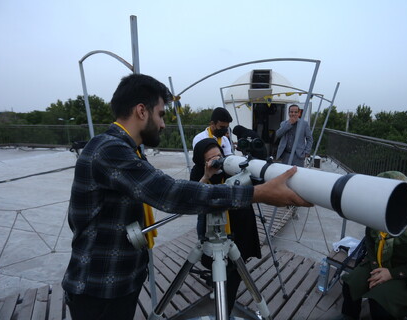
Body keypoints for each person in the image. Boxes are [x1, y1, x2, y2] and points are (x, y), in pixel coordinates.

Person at [61, 73, 310, 320]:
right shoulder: (110, 150)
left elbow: (163, 190)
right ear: (141, 111)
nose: (163, 124)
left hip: (118, 279)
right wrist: (258, 193)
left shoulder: (127, 149)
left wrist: (207, 180)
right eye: (160, 114)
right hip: (99, 287)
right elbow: (169, 193)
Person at [340, 171, 407, 320]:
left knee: (379, 300)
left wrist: (391, 274)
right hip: (379, 264)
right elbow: (370, 241)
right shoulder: (377, 212)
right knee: (351, 284)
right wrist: (376, 268)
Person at [191, 138, 261, 316]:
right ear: (202, 162)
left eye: (219, 156)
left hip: (240, 225)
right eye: (211, 159)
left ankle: (226, 310)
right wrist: (207, 176)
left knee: (236, 269)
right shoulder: (198, 172)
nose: (218, 161)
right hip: (213, 229)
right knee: (217, 265)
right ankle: (220, 291)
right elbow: (192, 199)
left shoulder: (231, 168)